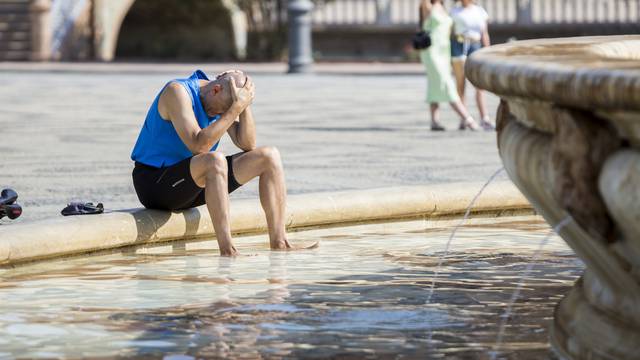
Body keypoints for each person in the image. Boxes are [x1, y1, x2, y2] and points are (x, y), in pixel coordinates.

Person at [131, 69, 309, 256]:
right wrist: (234, 109)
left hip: (191, 184)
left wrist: (244, 104)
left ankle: (279, 242)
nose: (220, 115)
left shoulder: (220, 100)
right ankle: (227, 250)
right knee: (215, 160)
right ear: (215, 89)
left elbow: (248, 144)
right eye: (221, 111)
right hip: (155, 184)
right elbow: (199, 146)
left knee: (269, 156)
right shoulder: (177, 92)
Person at [419, 0, 480, 131]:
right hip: (432, 52)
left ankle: (434, 121)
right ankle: (468, 119)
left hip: (444, 52)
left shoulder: (446, 8)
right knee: (447, 84)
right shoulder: (427, 5)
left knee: (434, 84)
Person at [450, 0, 494, 130]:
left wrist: (488, 51)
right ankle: (464, 118)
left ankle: (484, 117)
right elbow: (450, 33)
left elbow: (484, 33)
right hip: (459, 45)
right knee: (461, 83)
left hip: (475, 45)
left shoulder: (479, 11)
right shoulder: (454, 11)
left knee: (479, 84)